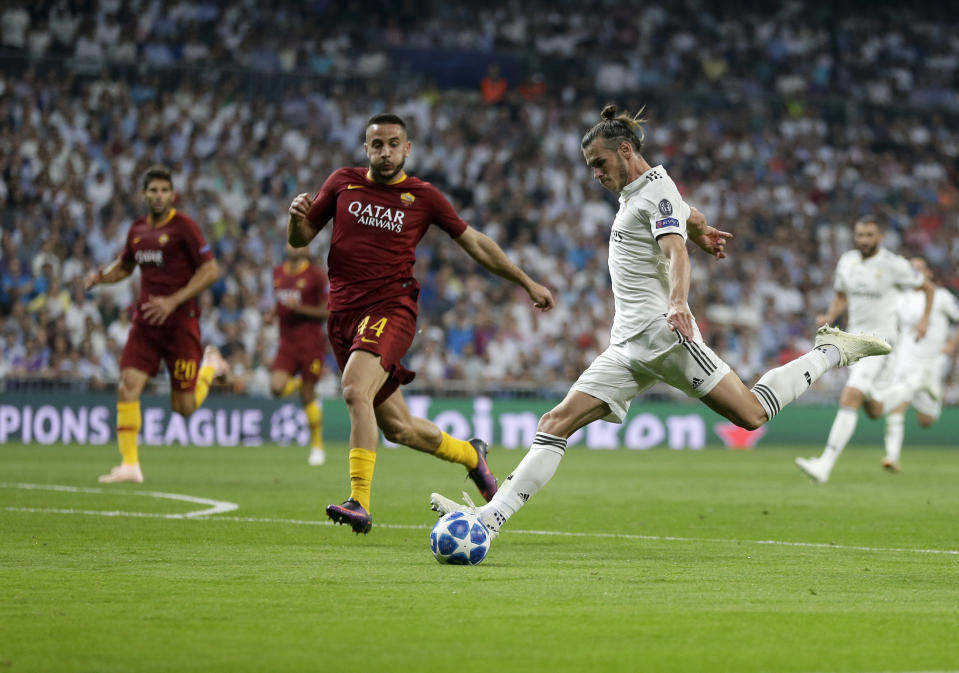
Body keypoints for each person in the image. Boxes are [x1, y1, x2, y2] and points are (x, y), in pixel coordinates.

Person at [429, 105, 891, 538]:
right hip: (628, 345)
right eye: (590, 166)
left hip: (663, 335)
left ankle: (832, 349)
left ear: (625, 150)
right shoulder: (644, 192)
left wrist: (678, 301)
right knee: (555, 421)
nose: (595, 174)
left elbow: (675, 252)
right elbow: (687, 218)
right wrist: (702, 227)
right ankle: (488, 520)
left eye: (599, 162)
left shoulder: (653, 189)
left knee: (751, 413)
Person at [287, 112, 555, 534]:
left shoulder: (422, 197)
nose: (386, 151)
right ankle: (471, 456)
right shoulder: (342, 183)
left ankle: (359, 500)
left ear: (407, 148)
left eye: (394, 143)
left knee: (355, 390)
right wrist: (295, 216)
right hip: (343, 317)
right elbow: (300, 238)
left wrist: (524, 280)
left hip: (390, 312)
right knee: (400, 428)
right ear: (366, 148)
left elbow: (475, 243)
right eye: (378, 144)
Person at [85, 165, 227, 484]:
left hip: (181, 325)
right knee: (127, 386)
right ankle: (130, 465)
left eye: (164, 190)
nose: (159, 195)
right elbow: (124, 266)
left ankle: (210, 366)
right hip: (147, 324)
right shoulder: (137, 230)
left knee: (184, 408)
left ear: (172, 195)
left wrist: (174, 300)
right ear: (143, 195)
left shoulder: (185, 227)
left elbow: (211, 271)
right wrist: (100, 278)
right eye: (153, 190)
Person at [794, 218, 934, 484]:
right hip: (854, 343)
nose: (864, 240)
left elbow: (927, 286)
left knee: (850, 395)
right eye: (859, 235)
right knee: (874, 409)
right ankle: (916, 383)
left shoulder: (894, 265)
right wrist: (829, 315)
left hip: (880, 344)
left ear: (879, 236)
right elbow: (841, 295)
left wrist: (925, 319)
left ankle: (825, 465)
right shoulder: (847, 261)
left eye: (869, 235)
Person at [865, 257, 959, 472]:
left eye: (919, 269)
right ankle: (891, 456)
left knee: (926, 420)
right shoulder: (900, 299)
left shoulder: (942, 296)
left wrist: (951, 345)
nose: (914, 274)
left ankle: (925, 386)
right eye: (911, 270)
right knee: (898, 404)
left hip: (933, 361)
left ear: (929, 273)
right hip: (905, 359)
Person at [265, 244, 330, 466]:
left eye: (300, 243)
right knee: (276, 388)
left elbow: (328, 311)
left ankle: (317, 447)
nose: (294, 247)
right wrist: (272, 314)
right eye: (291, 242)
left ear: (307, 248)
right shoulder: (278, 272)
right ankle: (304, 385)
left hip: (311, 343)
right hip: (286, 343)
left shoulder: (316, 275)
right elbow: (279, 301)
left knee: (308, 395)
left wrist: (299, 308)